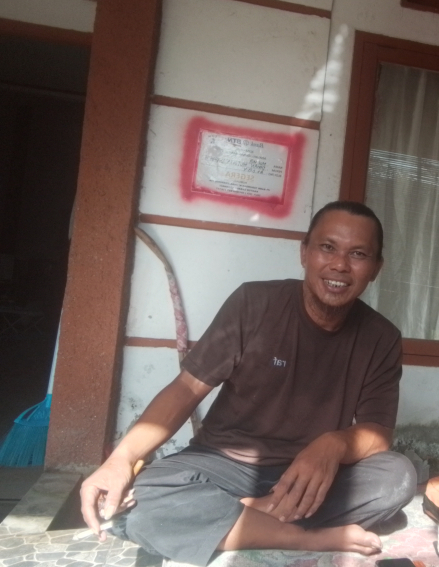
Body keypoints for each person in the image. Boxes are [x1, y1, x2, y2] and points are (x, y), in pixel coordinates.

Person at [79, 201, 416, 566]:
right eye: (327, 247)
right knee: (147, 493)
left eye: (358, 254)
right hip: (223, 464)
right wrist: (122, 458)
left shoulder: (381, 338)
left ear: (376, 268)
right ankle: (303, 536)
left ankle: (238, 516)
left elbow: (378, 433)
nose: (339, 265)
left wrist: (332, 445)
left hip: (307, 475)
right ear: (304, 252)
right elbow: (187, 388)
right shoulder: (254, 303)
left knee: (396, 478)